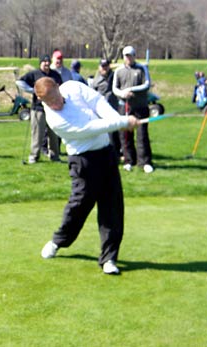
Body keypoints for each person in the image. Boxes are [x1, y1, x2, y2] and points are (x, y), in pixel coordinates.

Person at [35, 77, 140, 275]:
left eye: (55, 99)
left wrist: (117, 119)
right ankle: (58, 241)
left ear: (59, 88)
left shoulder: (73, 87)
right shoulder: (54, 119)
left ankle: (109, 258)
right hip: (82, 162)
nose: (55, 105)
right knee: (79, 206)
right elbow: (89, 129)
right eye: (49, 103)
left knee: (112, 207)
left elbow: (99, 103)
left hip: (106, 154)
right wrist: (122, 122)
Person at [113, 46, 154, 173]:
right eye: (126, 56)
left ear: (134, 56)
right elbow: (115, 88)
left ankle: (145, 162)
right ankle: (129, 160)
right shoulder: (119, 71)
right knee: (125, 134)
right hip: (124, 105)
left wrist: (131, 90)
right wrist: (122, 94)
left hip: (140, 106)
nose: (128, 58)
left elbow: (147, 84)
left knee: (142, 135)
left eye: (130, 55)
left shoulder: (142, 68)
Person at [16, 54, 63, 164]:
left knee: (54, 134)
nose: (46, 64)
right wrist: (33, 90)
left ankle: (54, 156)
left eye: (48, 62)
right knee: (37, 134)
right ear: (40, 63)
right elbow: (19, 82)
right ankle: (34, 156)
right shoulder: (34, 74)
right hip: (38, 109)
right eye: (44, 62)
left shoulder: (55, 75)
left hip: (53, 108)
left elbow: (60, 87)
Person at [91, 58, 121, 157]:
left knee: (114, 133)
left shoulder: (114, 76)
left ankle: (116, 153)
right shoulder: (96, 80)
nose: (104, 68)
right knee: (103, 133)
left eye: (106, 66)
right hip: (101, 110)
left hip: (114, 108)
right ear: (99, 67)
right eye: (102, 66)